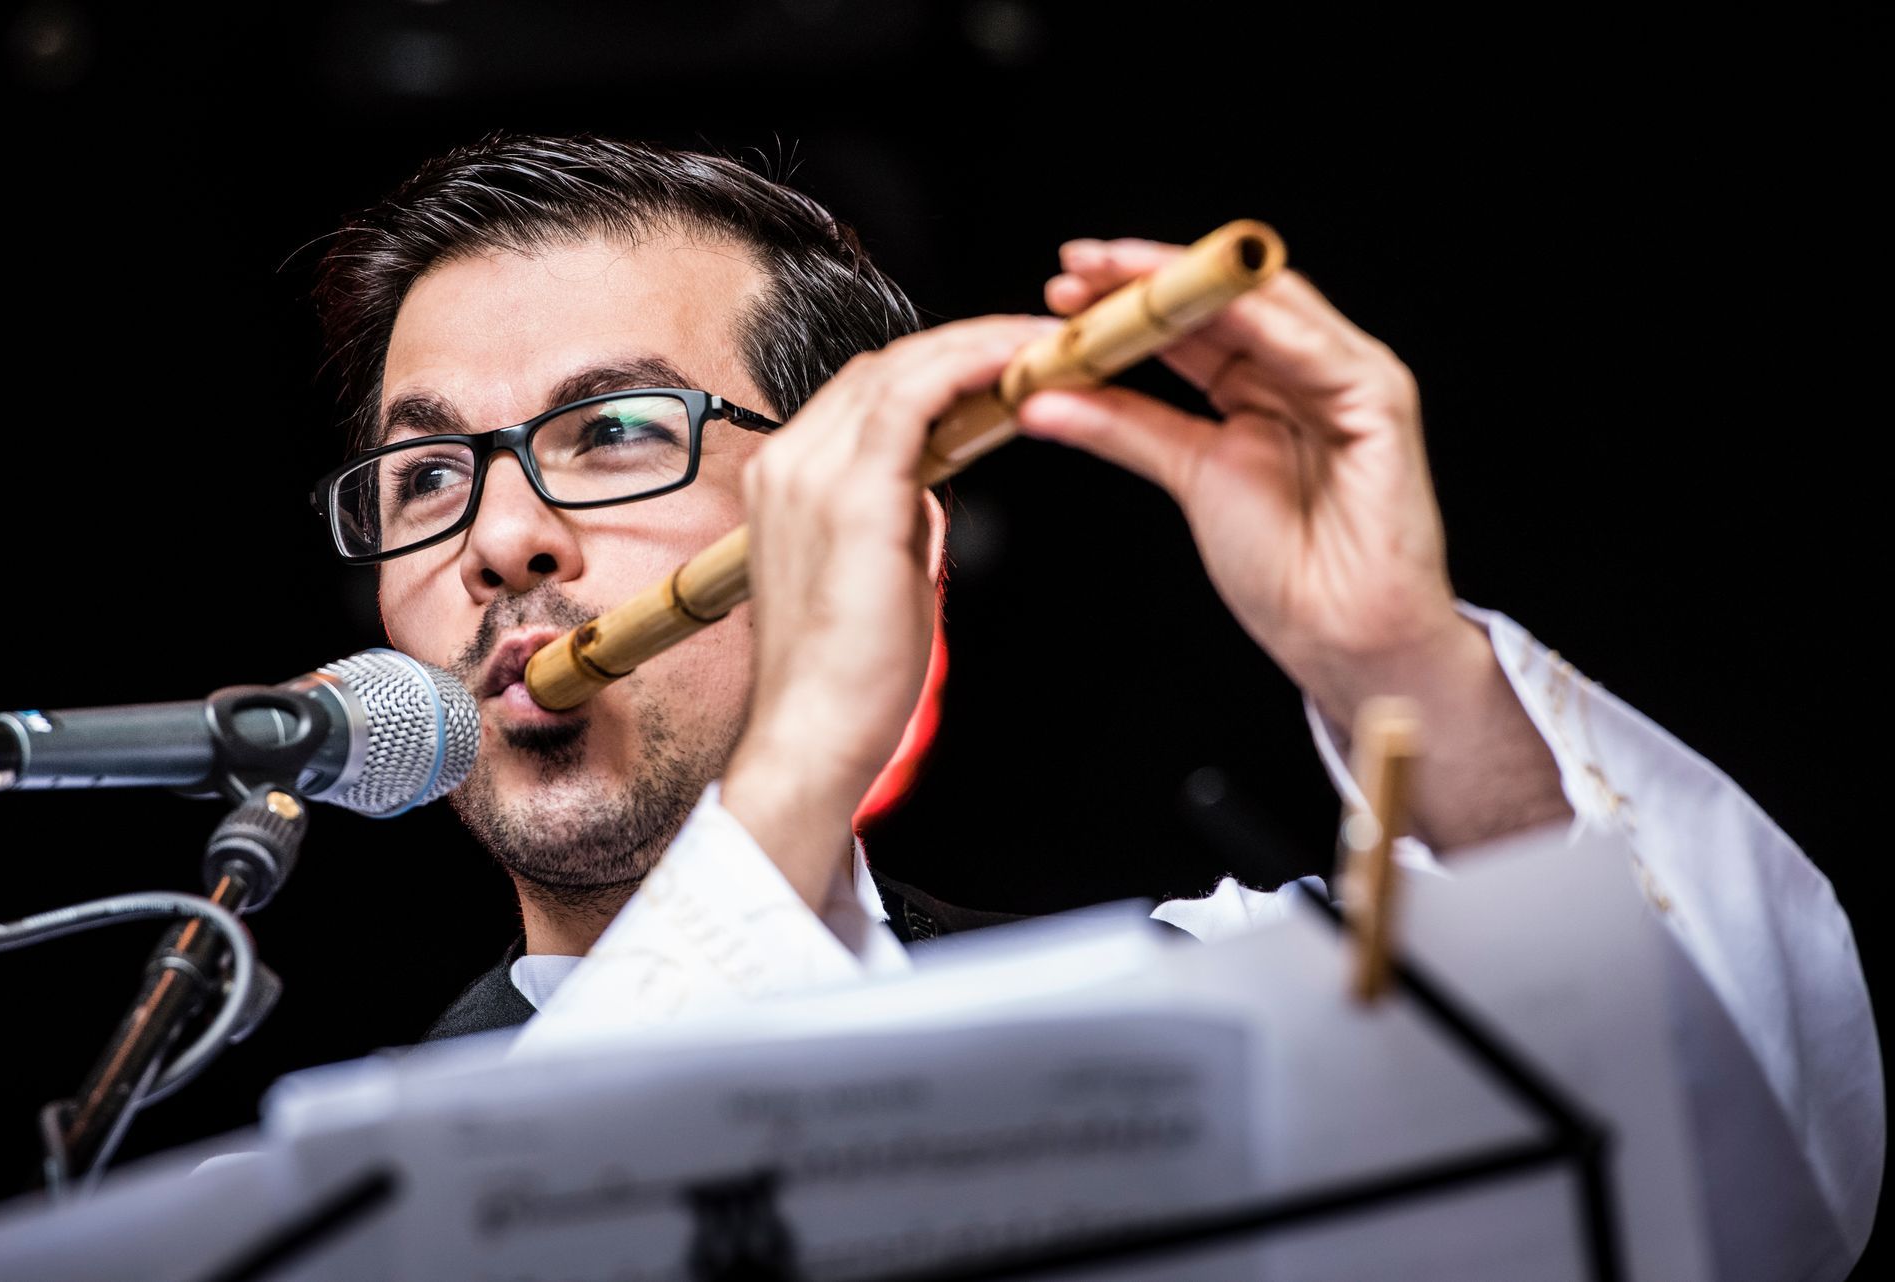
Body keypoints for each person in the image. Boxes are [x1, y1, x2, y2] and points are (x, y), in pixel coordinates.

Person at [308, 132, 1879, 1272]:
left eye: (613, 432)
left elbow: (1742, 1185)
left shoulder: (1193, 1019)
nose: (499, 538)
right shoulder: (309, 1200)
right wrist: (796, 768)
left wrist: (1398, 661)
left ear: (884, 534)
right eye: (428, 471)